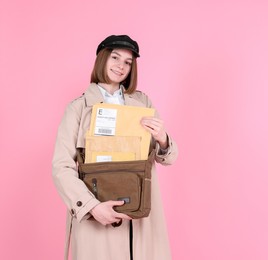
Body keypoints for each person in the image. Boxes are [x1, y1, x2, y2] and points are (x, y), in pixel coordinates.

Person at [52, 35, 178, 260]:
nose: (121, 66)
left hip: (141, 220)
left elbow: (168, 157)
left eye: (128, 62)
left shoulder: (143, 103)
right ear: (102, 59)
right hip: (96, 217)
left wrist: (162, 139)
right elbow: (61, 167)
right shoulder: (77, 109)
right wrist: (91, 207)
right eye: (115, 57)